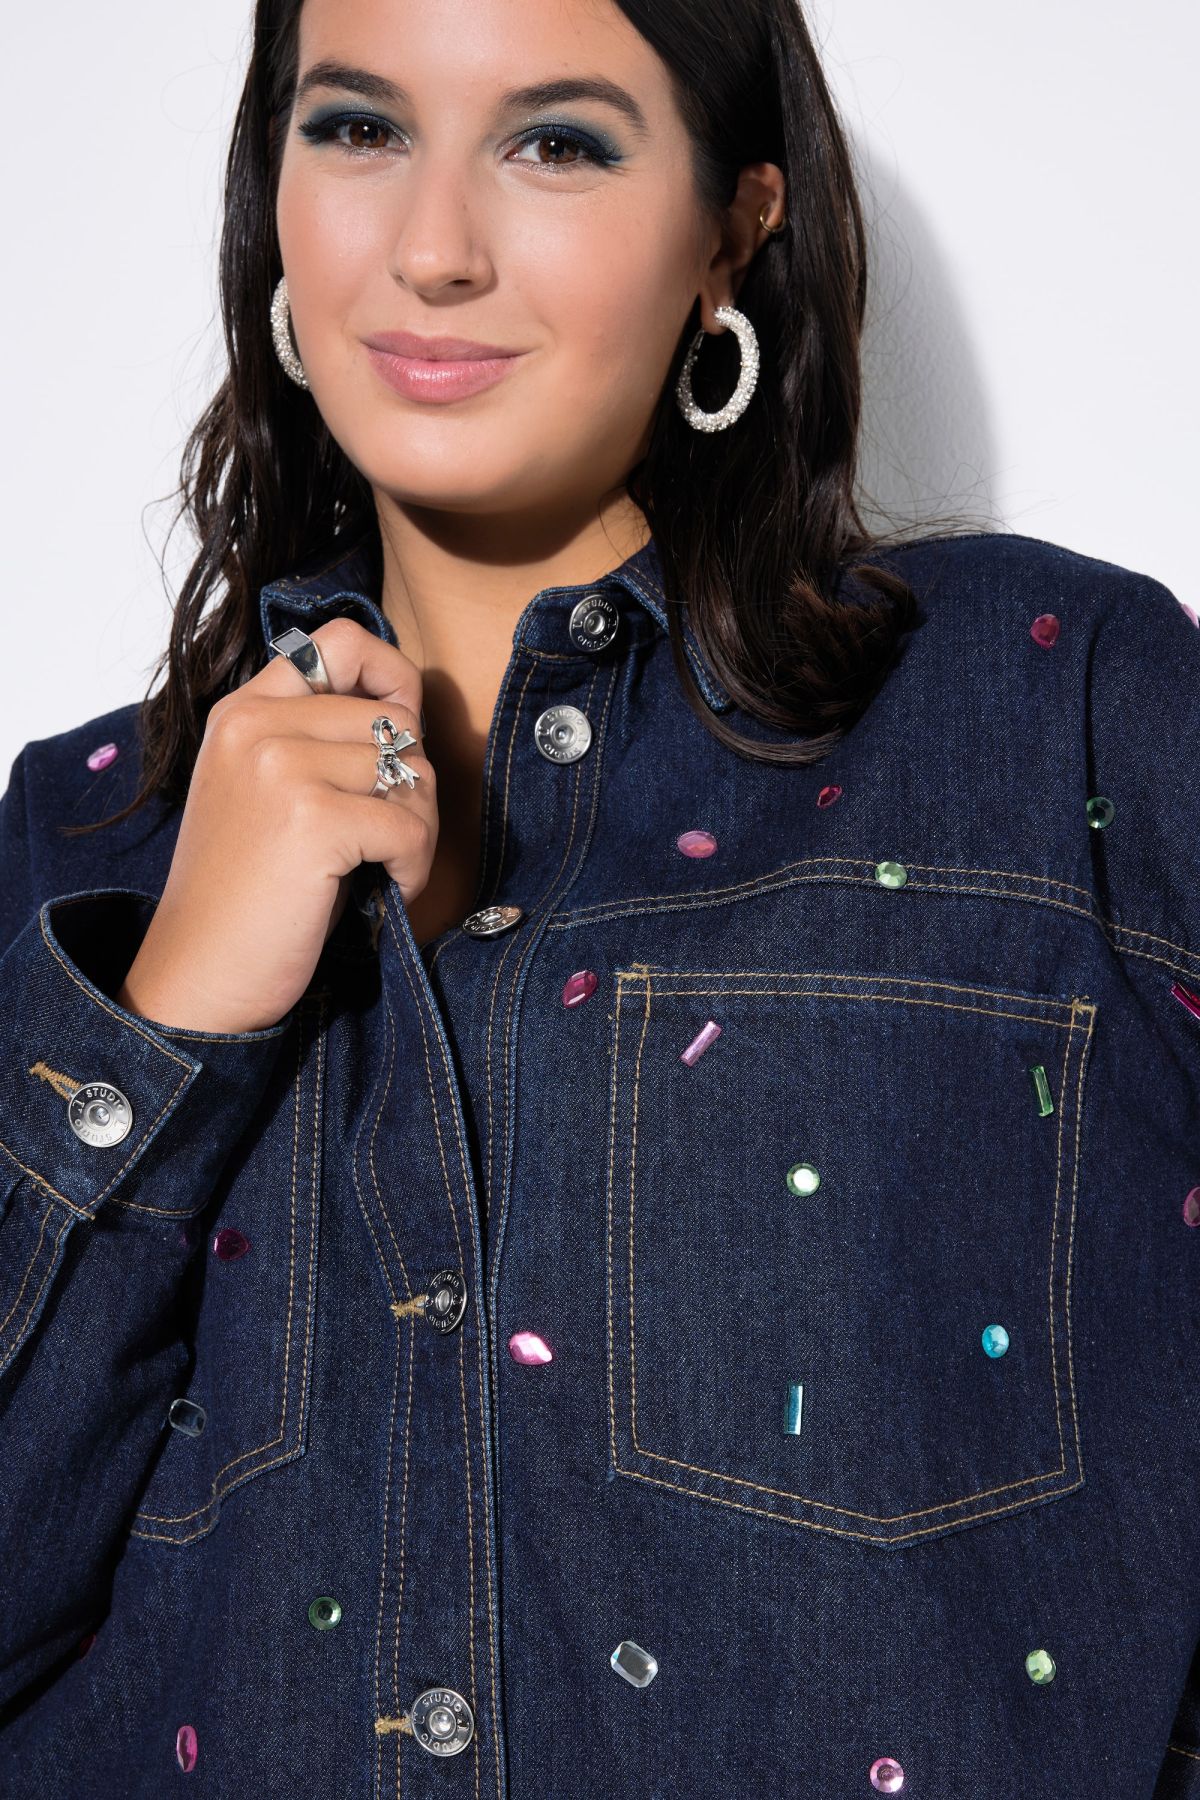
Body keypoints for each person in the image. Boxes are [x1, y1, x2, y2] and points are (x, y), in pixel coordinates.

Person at [1, 0, 1197, 1793]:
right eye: (357, 129)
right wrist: (168, 1014)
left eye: (556, 142)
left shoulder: (1056, 710)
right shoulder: (80, 833)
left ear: (732, 232)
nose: (432, 249)